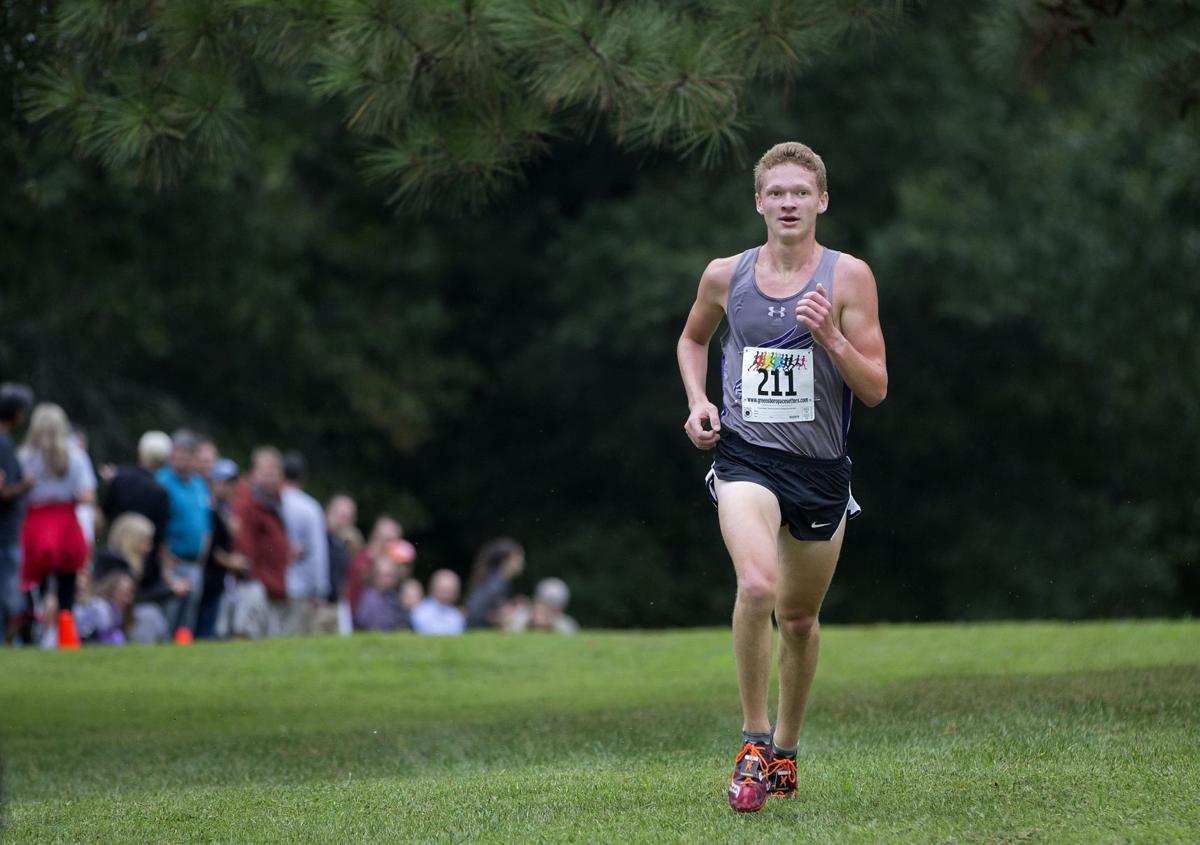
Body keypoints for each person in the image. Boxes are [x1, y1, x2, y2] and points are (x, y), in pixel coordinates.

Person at [676, 142, 887, 812]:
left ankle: (787, 754)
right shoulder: (724, 274)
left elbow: (876, 388)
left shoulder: (849, 277)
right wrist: (698, 401)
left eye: (801, 192)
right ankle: (752, 741)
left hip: (820, 471)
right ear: (759, 201)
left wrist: (832, 338)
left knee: (798, 617)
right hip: (745, 458)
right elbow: (692, 339)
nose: (789, 203)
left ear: (821, 200)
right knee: (758, 583)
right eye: (777, 192)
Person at [17, 403, 98, 648]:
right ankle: (64, 631)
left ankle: (35, 631)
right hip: (65, 521)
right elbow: (88, 494)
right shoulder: (76, 456)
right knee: (67, 581)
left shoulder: (24, 457)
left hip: (36, 521)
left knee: (35, 582)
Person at [100, 431, 188, 641]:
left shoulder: (119, 479)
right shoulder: (160, 492)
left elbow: (104, 513)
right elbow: (162, 537)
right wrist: (169, 585)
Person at [156, 429, 211, 635]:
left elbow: (205, 524)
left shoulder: (199, 484)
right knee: (170, 616)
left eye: (186, 456)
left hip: (195, 563)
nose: (181, 461)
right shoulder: (163, 482)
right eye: (177, 455)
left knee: (189, 621)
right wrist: (166, 558)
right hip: (173, 561)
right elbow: (160, 525)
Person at [230, 446, 289, 638]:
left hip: (274, 584)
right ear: (254, 474)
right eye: (265, 473)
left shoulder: (275, 503)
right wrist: (251, 575)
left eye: (274, 473)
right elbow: (244, 544)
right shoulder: (247, 503)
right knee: (249, 635)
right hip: (255, 584)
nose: (271, 478)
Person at [94, 511, 171, 643]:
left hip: (123, 618)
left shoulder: (140, 564)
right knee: (150, 614)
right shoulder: (113, 563)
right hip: (107, 620)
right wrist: (170, 591)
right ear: (131, 540)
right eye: (145, 541)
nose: (149, 548)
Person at [196, 458, 248, 639]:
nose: (232, 488)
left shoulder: (225, 508)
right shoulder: (208, 508)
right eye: (227, 483)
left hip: (218, 578)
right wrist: (231, 562)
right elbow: (210, 548)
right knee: (203, 628)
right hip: (207, 577)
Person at [280, 451, 331, 636]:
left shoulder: (271, 502)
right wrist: (320, 590)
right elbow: (318, 552)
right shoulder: (310, 507)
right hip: (300, 589)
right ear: (303, 477)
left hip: (271, 585)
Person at [0, 382, 35, 643]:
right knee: (9, 596)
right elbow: (5, 490)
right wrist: (27, 484)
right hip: (5, 533)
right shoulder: (4, 444)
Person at [345, 515, 402, 618]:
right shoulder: (362, 563)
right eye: (391, 540)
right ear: (377, 537)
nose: (394, 545)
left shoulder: (384, 562)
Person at [463, 537, 525, 629]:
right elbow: (475, 612)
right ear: (505, 561)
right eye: (518, 558)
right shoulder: (496, 584)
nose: (522, 562)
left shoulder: (495, 580)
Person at [353, 551, 412, 632]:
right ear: (374, 575)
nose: (389, 580)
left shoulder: (392, 596)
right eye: (385, 576)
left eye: (391, 575)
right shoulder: (369, 599)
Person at [505, 577, 579, 634]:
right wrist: (531, 622)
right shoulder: (522, 615)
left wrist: (550, 625)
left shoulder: (566, 623)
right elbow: (508, 631)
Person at [411, 569, 465, 636]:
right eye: (444, 589)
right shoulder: (420, 610)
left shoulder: (457, 615)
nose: (447, 594)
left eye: (450, 590)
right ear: (433, 588)